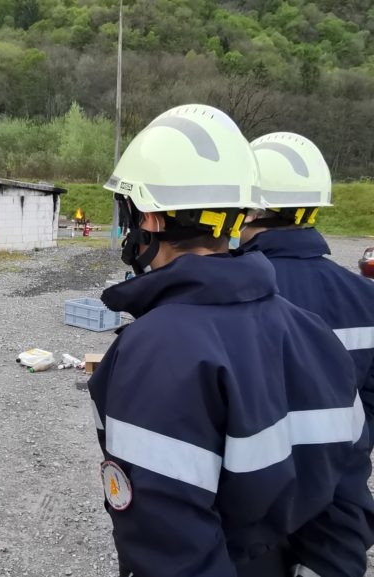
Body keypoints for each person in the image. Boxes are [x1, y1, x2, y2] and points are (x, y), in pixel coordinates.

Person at [89, 104, 374, 577]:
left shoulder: (154, 351)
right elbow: (344, 485)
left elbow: (170, 547)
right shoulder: (311, 331)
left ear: (152, 219)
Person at [239, 132, 374, 438]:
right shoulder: (367, 298)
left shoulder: (230, 292)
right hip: (340, 483)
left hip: (255, 479)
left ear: (253, 210)